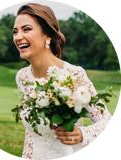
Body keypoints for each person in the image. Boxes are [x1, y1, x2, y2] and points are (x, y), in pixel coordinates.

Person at [13, 3, 111, 160]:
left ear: (48, 35)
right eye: (15, 31)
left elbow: (107, 122)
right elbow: (31, 133)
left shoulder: (74, 74)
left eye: (26, 29)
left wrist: (81, 134)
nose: (18, 37)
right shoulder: (22, 77)